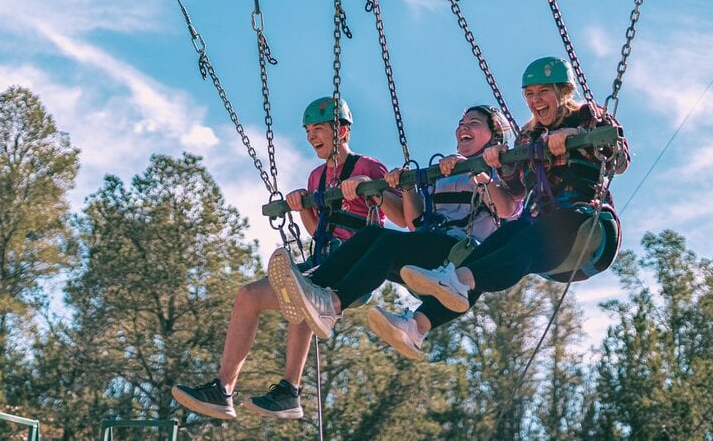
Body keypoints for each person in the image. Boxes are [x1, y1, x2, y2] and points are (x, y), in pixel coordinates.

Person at [370, 57, 629, 358]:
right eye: (529, 95)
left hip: (588, 224)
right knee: (496, 246)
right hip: (543, 233)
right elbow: (517, 189)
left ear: (564, 91)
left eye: (543, 92)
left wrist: (574, 138)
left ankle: (457, 280)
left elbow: (619, 159)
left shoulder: (587, 116)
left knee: (527, 237)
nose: (535, 101)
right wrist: (498, 162)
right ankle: (418, 325)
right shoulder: (529, 135)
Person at [171, 97, 404, 420]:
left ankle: (289, 389)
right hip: (323, 258)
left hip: (354, 266)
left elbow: (402, 219)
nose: (311, 137)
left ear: (343, 131)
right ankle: (225, 390)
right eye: (308, 131)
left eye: (319, 129)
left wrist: (369, 188)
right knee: (248, 296)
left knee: (299, 290)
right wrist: (305, 205)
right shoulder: (316, 177)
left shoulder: (368, 167)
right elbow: (316, 230)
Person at [267, 105, 522, 358]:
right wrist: (407, 185)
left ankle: (332, 304)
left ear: (493, 134)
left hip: (460, 253)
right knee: (370, 236)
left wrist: (477, 172)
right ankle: (315, 287)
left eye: (473, 123)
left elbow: (507, 209)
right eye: (461, 123)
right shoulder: (444, 174)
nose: (463, 127)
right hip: (431, 248)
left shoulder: (498, 171)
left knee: (389, 243)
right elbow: (414, 222)